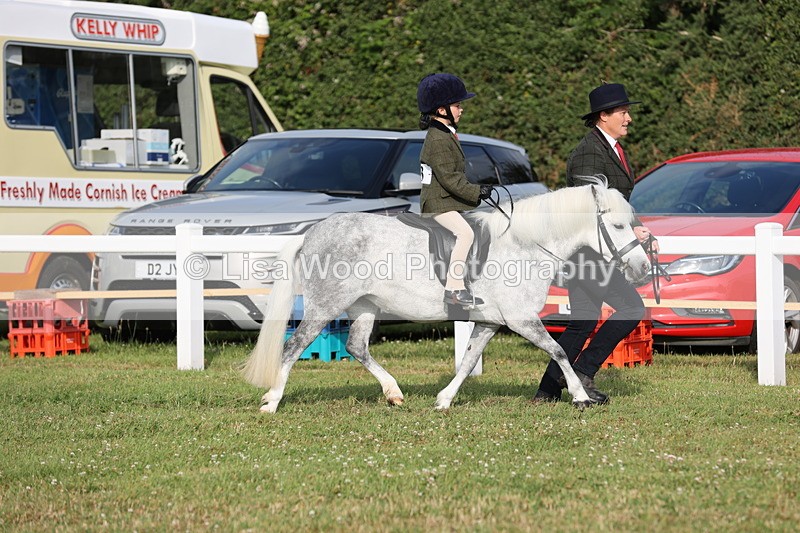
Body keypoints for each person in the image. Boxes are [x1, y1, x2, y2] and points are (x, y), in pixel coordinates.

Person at [534, 82, 658, 405]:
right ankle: (583, 372)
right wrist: (631, 233)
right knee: (631, 308)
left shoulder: (612, 148)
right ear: (604, 116)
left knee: (584, 321)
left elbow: (616, 204)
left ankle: (547, 390)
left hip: (599, 253)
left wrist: (639, 230)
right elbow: (592, 207)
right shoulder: (590, 152)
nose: (628, 118)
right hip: (587, 254)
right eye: (623, 112)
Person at [417, 73, 493, 307]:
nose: (461, 110)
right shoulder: (438, 139)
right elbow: (450, 179)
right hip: (437, 203)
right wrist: (476, 191)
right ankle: (453, 290)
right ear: (442, 110)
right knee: (466, 233)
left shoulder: (444, 133)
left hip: (445, 200)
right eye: (457, 105)